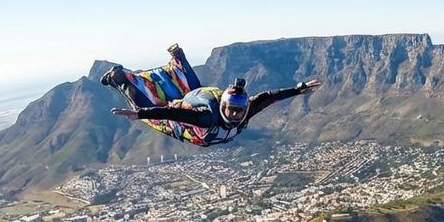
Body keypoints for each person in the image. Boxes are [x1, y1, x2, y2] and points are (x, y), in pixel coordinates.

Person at [100, 43, 321, 146]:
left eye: (238, 111)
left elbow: (271, 96)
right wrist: (140, 114)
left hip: (195, 103)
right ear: (222, 106)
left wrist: (298, 88)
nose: (234, 115)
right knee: (155, 117)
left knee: (190, 90)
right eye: (231, 110)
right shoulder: (205, 117)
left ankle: (179, 57)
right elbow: (170, 113)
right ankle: (118, 79)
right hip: (183, 123)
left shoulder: (247, 109)